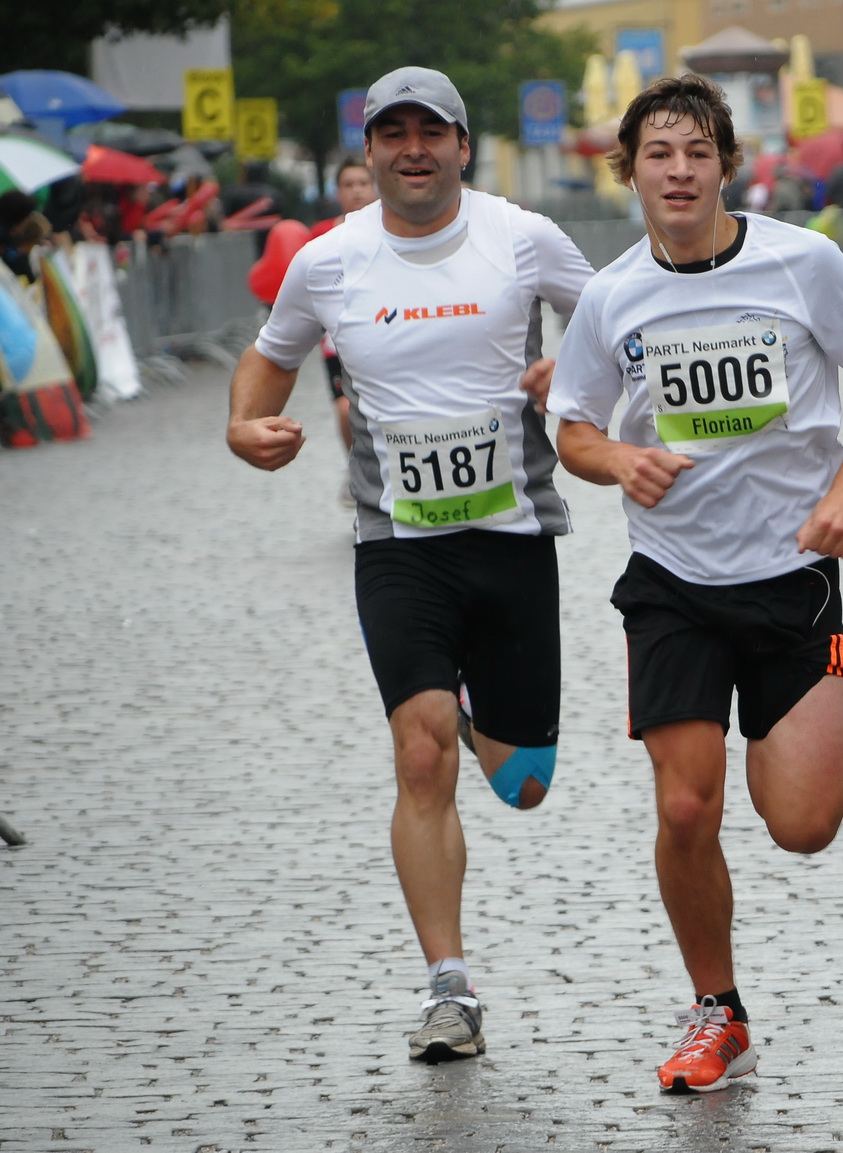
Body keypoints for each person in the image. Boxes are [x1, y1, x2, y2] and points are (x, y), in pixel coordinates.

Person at [224, 66, 596, 1064]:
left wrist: (577, 366)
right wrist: (240, 423)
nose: (413, 149)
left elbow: (613, 323)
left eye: (432, 131)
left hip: (514, 535)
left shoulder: (521, 237)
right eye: (393, 134)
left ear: (462, 146)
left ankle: (479, 712)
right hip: (398, 543)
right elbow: (270, 354)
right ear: (372, 149)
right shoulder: (329, 259)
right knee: (419, 749)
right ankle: (450, 988)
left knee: (523, 786)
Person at [546, 74, 843, 1094]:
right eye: (658, 154)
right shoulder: (614, 294)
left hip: (795, 577)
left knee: (801, 825)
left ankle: (768, 730)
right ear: (631, 168)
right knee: (686, 808)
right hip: (674, 580)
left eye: (697, 152)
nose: (678, 171)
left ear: (725, 165)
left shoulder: (805, 263)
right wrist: (620, 461)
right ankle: (718, 1008)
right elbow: (572, 423)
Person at [307, 157, 380, 499]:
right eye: (349, 185)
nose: (356, 191)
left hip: (382, 336)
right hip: (336, 343)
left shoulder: (391, 227)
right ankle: (357, 465)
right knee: (344, 408)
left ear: (374, 187)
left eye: (362, 183)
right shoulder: (320, 235)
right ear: (338, 192)